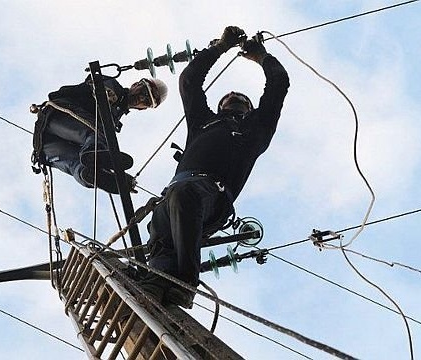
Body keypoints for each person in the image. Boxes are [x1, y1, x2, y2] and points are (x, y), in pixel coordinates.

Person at [141, 26, 290, 308]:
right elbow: (189, 81)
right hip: (173, 196)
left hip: (211, 196)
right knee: (161, 240)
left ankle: (186, 284)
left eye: (242, 99)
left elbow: (279, 83)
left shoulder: (256, 131)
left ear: (249, 109)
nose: (234, 95)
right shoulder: (202, 123)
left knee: (184, 196)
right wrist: (220, 48)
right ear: (220, 106)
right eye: (228, 96)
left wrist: (262, 57)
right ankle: (157, 286)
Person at [31, 75, 167, 194]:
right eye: (144, 91)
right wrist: (104, 92)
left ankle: (91, 174)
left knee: (80, 167)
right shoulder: (113, 86)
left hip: (46, 145)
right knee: (99, 134)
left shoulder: (114, 119)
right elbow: (96, 82)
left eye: (147, 101)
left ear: (143, 109)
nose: (141, 98)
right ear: (135, 84)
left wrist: (117, 177)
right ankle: (93, 153)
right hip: (58, 117)